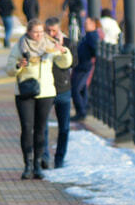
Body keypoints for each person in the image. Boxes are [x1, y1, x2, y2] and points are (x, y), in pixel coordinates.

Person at [7, 18, 71, 180]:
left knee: (40, 129)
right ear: (28, 32)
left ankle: (37, 165)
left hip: (46, 93)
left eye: (41, 32)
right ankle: (27, 165)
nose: (39, 35)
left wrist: (63, 50)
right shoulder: (20, 46)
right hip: (25, 93)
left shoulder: (49, 45)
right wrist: (18, 66)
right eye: (35, 32)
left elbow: (65, 64)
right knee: (27, 128)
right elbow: (9, 69)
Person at [42, 17, 73, 170]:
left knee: (64, 127)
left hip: (63, 89)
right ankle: (45, 157)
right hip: (46, 89)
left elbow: (75, 62)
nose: (51, 33)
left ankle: (59, 158)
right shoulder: (41, 43)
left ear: (59, 30)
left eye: (54, 30)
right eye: (48, 30)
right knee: (43, 125)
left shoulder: (67, 42)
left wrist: (62, 47)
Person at [71, 16, 101, 121]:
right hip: (81, 65)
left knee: (76, 89)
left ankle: (81, 112)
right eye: (85, 23)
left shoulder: (92, 36)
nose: (85, 25)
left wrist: (89, 58)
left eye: (87, 23)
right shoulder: (88, 35)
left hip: (84, 66)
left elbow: (95, 49)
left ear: (93, 24)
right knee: (82, 89)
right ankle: (83, 109)